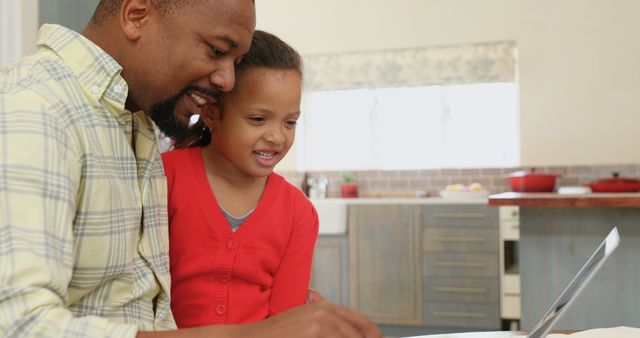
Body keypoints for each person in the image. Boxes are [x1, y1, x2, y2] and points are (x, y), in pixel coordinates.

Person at [0, 0, 382, 337]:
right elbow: (18, 325)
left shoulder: (136, 123)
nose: (227, 81)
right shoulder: (33, 108)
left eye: (234, 61)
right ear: (136, 15)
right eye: (216, 50)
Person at [163, 30, 317, 328]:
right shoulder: (165, 178)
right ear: (211, 114)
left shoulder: (299, 213)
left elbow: (284, 323)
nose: (277, 137)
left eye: (290, 122)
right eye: (258, 119)